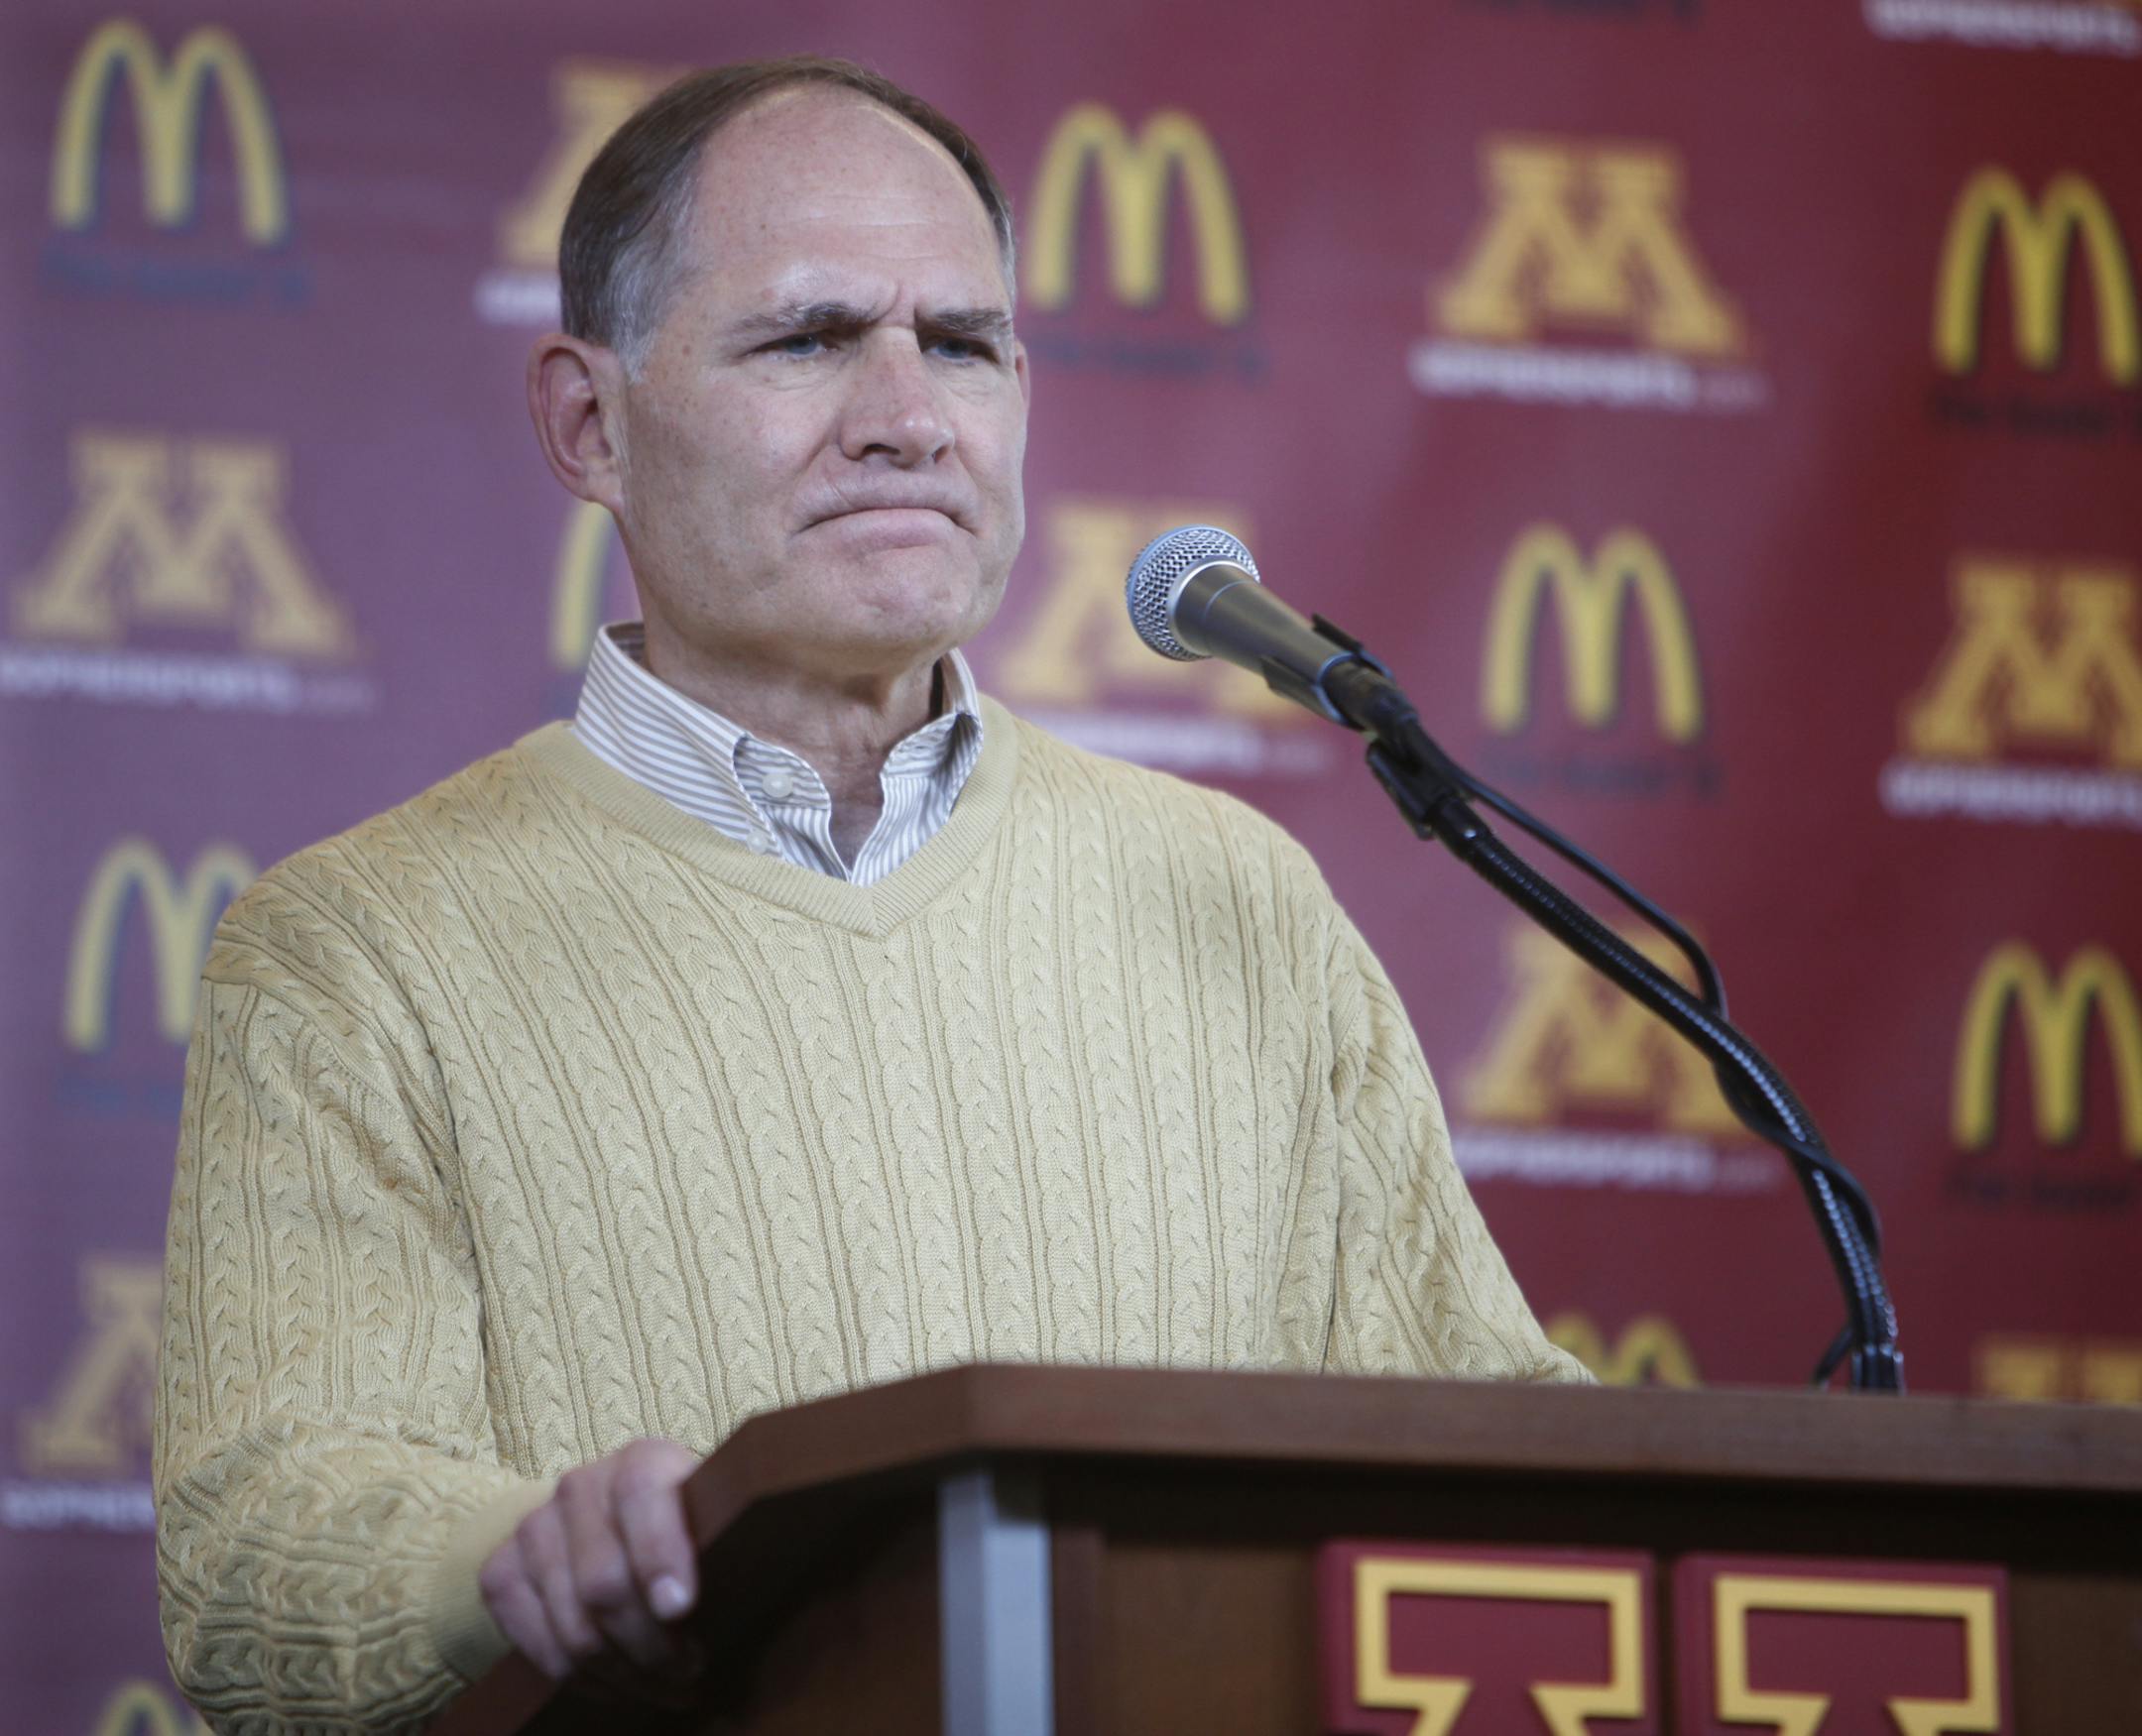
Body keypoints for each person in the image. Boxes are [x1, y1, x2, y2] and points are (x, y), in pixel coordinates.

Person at [153, 56, 1586, 1734]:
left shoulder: (1236, 896)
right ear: (588, 423)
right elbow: (254, 1568)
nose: (910, 414)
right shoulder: (355, 950)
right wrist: (519, 1553)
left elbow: (1493, 1464)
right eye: (811, 337)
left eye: (962, 345)